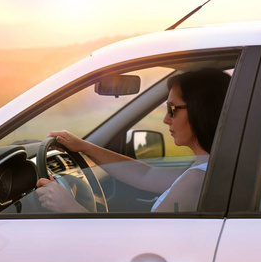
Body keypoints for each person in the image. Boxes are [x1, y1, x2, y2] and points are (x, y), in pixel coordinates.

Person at [36, 68, 231, 212]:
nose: (165, 119)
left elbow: (140, 245)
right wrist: (83, 146)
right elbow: (145, 174)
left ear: (201, 110)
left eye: (172, 109)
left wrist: (68, 206)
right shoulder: (207, 169)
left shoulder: (195, 180)